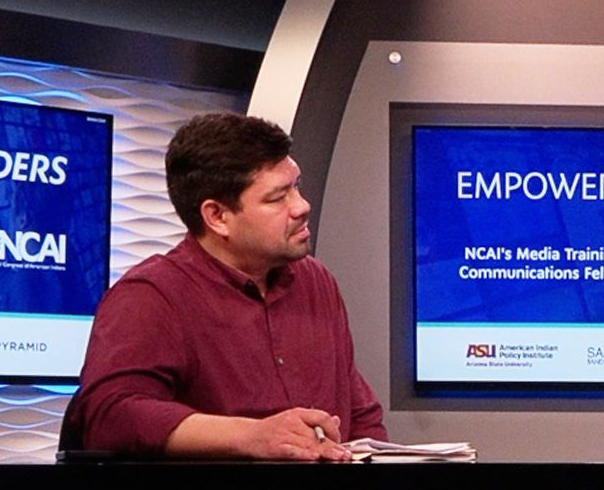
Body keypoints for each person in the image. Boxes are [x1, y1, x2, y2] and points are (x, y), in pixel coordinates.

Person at [60, 113, 386, 461]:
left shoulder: (316, 282)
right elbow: (110, 416)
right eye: (278, 198)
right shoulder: (151, 296)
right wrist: (252, 435)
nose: (302, 206)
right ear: (217, 217)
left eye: (296, 186)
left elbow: (361, 418)